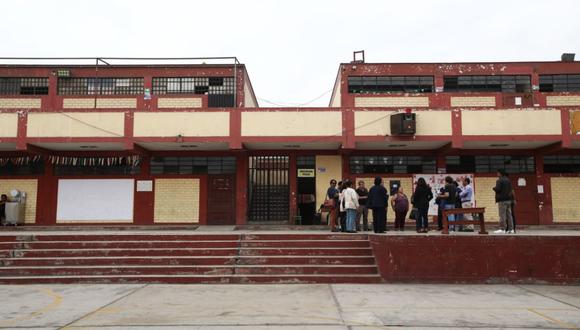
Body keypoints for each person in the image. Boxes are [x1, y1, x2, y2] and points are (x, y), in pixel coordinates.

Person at [493, 169, 514, 234]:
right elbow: (511, 190)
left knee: (502, 215)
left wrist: (494, 188)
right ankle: (511, 229)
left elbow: (498, 189)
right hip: (509, 200)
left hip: (502, 200)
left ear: (500, 174)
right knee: (509, 215)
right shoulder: (508, 180)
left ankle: (502, 229)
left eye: (498, 173)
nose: (497, 174)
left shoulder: (499, 180)